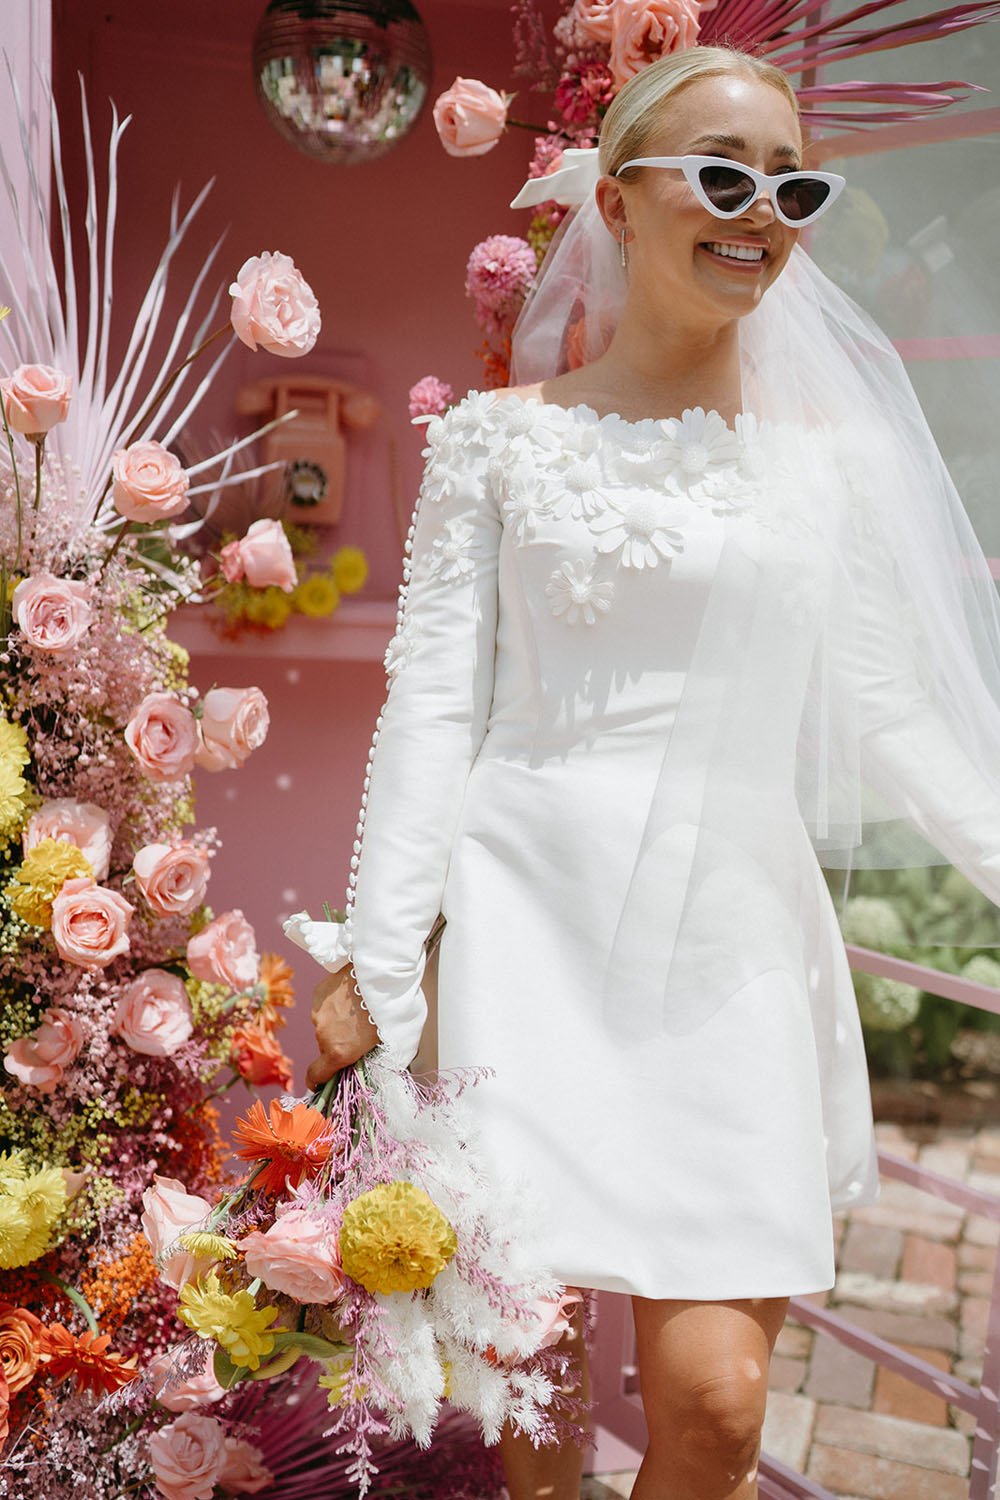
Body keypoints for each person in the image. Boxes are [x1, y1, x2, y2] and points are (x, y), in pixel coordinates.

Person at [295, 44, 1000, 1500]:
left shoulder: (834, 463)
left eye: (790, 186)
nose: (760, 215)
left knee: (721, 1403)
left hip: (733, 946)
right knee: (531, 1411)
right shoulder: (493, 447)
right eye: (722, 177)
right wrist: (384, 966)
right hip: (523, 928)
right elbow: (431, 713)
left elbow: (886, 710)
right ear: (615, 206)